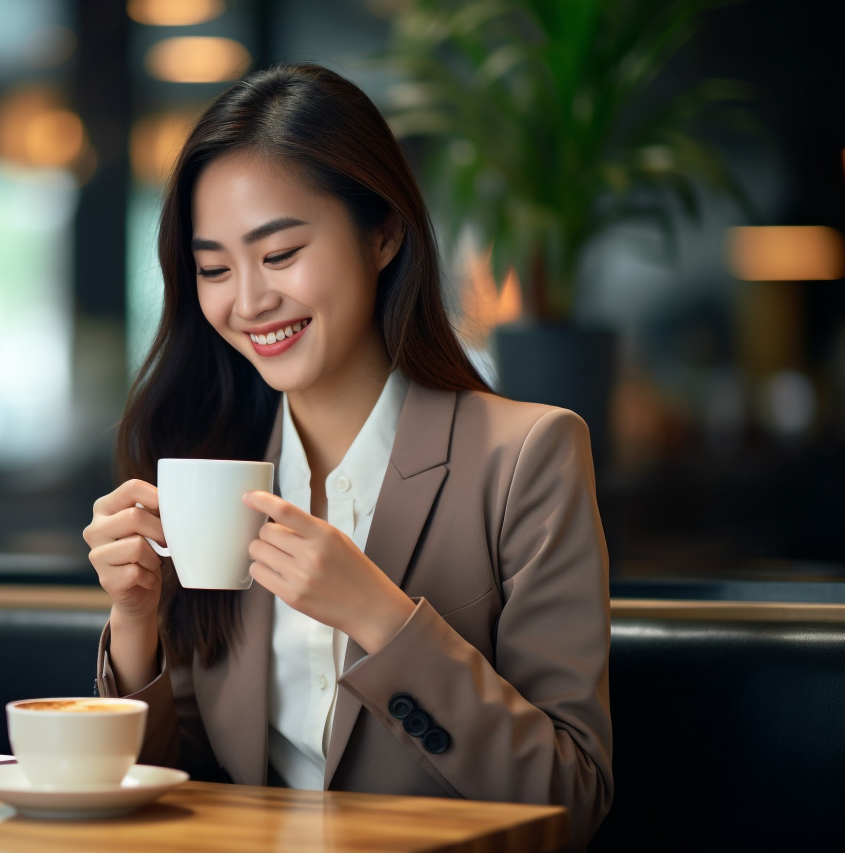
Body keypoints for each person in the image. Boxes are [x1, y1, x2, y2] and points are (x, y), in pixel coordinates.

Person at [83, 63, 613, 849]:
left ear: (384, 233)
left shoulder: (527, 455)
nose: (249, 300)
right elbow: (183, 787)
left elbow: (571, 795)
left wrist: (381, 615)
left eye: (281, 252)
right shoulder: (214, 469)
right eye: (214, 268)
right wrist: (134, 626)